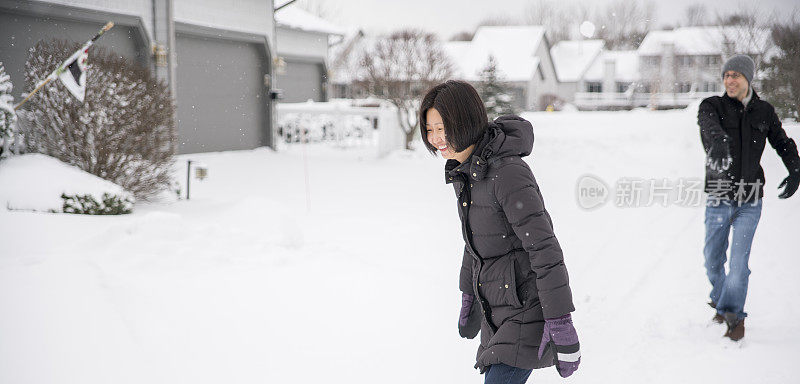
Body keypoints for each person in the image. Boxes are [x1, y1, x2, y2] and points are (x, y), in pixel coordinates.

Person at [419, 80, 580, 383]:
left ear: (464, 120)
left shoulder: (507, 173)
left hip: (527, 310)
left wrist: (560, 318)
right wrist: (468, 293)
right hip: (497, 312)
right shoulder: (467, 172)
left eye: (442, 127)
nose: (436, 138)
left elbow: (544, 248)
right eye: (430, 130)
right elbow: (475, 242)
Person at [698, 54, 800, 341]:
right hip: (719, 194)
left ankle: (734, 316)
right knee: (712, 260)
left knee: (739, 263)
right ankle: (721, 299)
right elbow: (707, 124)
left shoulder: (764, 112)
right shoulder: (713, 106)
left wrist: (795, 168)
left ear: (748, 79)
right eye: (726, 75)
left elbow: (781, 141)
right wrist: (717, 140)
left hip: (750, 196)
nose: (730, 80)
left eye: (736, 75)